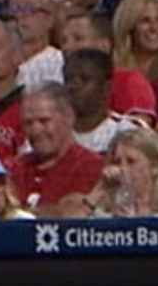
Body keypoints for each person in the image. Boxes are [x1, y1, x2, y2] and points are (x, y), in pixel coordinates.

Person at [6, 83, 104, 214]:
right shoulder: (14, 170)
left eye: (44, 121)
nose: (36, 131)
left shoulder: (92, 167)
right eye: (28, 123)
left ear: (69, 117)